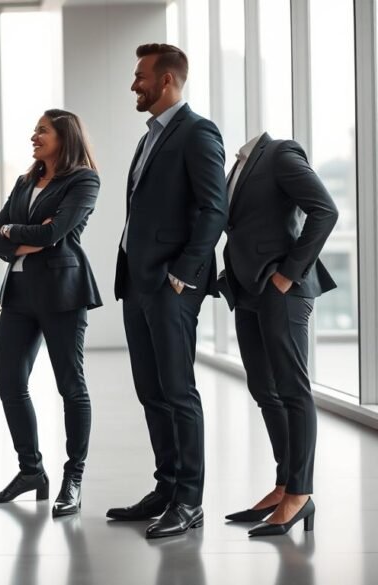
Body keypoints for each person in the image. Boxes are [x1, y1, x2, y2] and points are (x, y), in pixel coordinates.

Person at [107, 43, 227, 539]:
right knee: (151, 390)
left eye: (141, 76)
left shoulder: (198, 132)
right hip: (138, 282)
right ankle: (167, 488)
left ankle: (190, 500)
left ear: (167, 80)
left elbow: (214, 208)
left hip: (171, 285)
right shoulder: (149, 137)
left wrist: (183, 273)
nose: (134, 84)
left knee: (178, 391)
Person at [0, 109, 101, 518]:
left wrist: (14, 232)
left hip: (62, 293)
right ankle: (31, 470)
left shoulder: (83, 180)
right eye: (34, 130)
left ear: (64, 137)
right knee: (9, 382)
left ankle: (74, 479)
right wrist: (22, 236)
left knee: (71, 385)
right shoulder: (24, 182)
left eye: (43, 131)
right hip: (18, 293)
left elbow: (54, 233)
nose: (34, 136)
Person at [217, 132, 337, 536]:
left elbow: (325, 210)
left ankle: (300, 493)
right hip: (248, 290)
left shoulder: (280, 153)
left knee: (291, 389)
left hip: (281, 289)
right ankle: (284, 483)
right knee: (263, 389)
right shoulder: (236, 168)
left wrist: (289, 274)